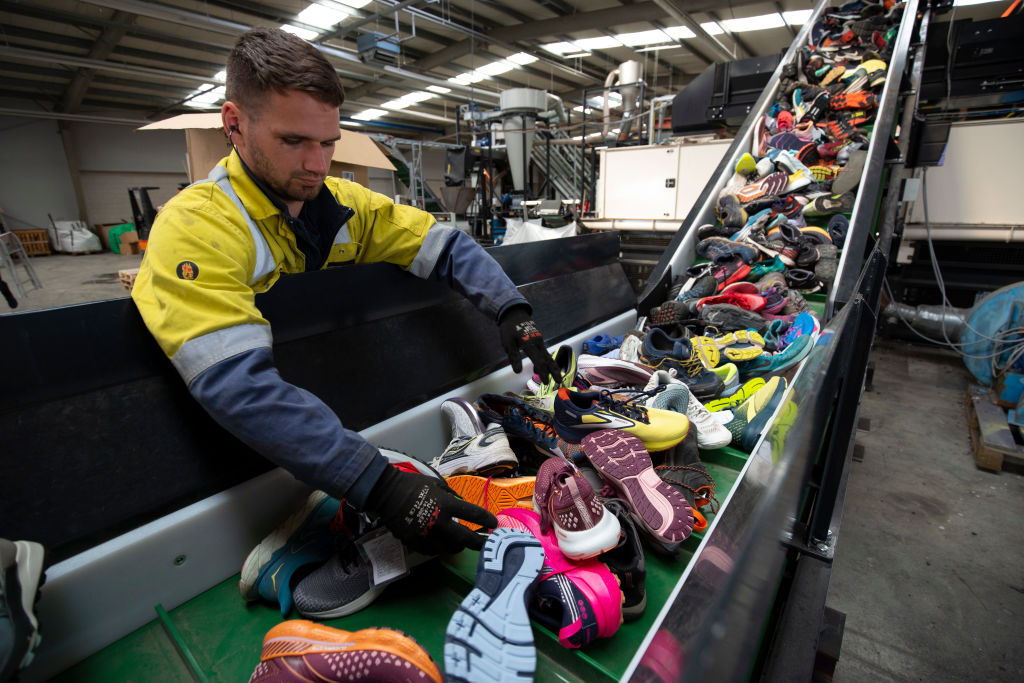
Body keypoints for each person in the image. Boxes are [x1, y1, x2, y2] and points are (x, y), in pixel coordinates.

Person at [131, 28, 560, 556]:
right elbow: (237, 385)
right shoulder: (198, 227)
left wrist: (510, 308)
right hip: (250, 474)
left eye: (328, 143)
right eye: (293, 141)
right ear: (234, 123)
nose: (317, 164)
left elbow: (444, 246)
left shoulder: (344, 204)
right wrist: (380, 486)